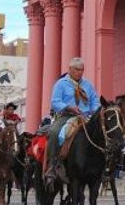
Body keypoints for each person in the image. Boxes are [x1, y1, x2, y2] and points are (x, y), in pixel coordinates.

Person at [44, 57, 101, 186]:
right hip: (66, 116)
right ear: (70, 69)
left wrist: (96, 111)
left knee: (101, 134)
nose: (79, 72)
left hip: (86, 117)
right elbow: (55, 102)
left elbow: (95, 102)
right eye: (76, 69)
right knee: (53, 132)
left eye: (82, 70)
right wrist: (68, 107)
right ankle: (52, 166)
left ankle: (103, 167)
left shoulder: (88, 85)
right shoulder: (61, 84)